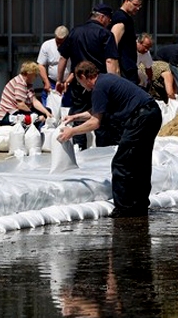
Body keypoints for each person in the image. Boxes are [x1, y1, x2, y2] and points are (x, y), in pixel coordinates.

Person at [57, 61, 162, 218]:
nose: (81, 86)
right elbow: (98, 110)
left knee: (122, 163)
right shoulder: (105, 81)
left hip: (141, 118)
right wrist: (76, 117)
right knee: (140, 162)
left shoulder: (99, 86)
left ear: (84, 77)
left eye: (80, 82)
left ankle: (124, 208)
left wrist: (72, 131)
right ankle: (139, 204)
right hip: (151, 113)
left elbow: (96, 122)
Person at [56, 3, 120, 149]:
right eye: (109, 20)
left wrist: (60, 80)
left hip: (79, 83)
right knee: (100, 117)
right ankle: (103, 150)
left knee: (78, 114)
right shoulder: (105, 34)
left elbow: (63, 59)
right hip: (99, 83)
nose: (109, 23)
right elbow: (110, 61)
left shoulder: (74, 32)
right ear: (102, 17)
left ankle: (79, 149)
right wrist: (113, 84)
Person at [0, 61, 53, 127]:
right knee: (35, 119)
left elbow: (34, 101)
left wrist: (46, 112)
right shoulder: (20, 83)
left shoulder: (28, 84)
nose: (36, 77)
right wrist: (35, 116)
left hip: (19, 112)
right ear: (29, 73)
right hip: (8, 115)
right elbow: (21, 105)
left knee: (46, 111)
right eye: (35, 74)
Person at [110, 0, 144, 84]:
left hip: (129, 68)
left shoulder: (126, 19)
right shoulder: (121, 19)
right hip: (124, 70)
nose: (137, 8)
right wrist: (116, 70)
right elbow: (113, 44)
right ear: (127, 1)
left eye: (139, 6)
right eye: (135, 5)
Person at [37, 25, 72, 106]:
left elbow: (76, 68)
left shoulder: (72, 46)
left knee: (65, 109)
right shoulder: (47, 45)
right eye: (57, 41)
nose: (59, 44)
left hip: (68, 83)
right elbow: (41, 65)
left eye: (61, 42)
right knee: (48, 107)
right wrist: (46, 82)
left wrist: (67, 82)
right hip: (51, 82)